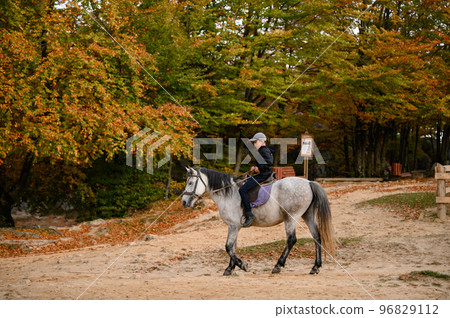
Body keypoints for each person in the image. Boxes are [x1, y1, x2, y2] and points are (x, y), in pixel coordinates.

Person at [239, 132, 275, 227]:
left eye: (255, 142)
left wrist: (259, 169)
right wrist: (256, 167)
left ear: (261, 141)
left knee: (242, 189)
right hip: (263, 174)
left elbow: (269, 163)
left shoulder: (264, 150)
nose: (254, 144)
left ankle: (249, 214)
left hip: (263, 175)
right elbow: (264, 164)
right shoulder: (263, 150)